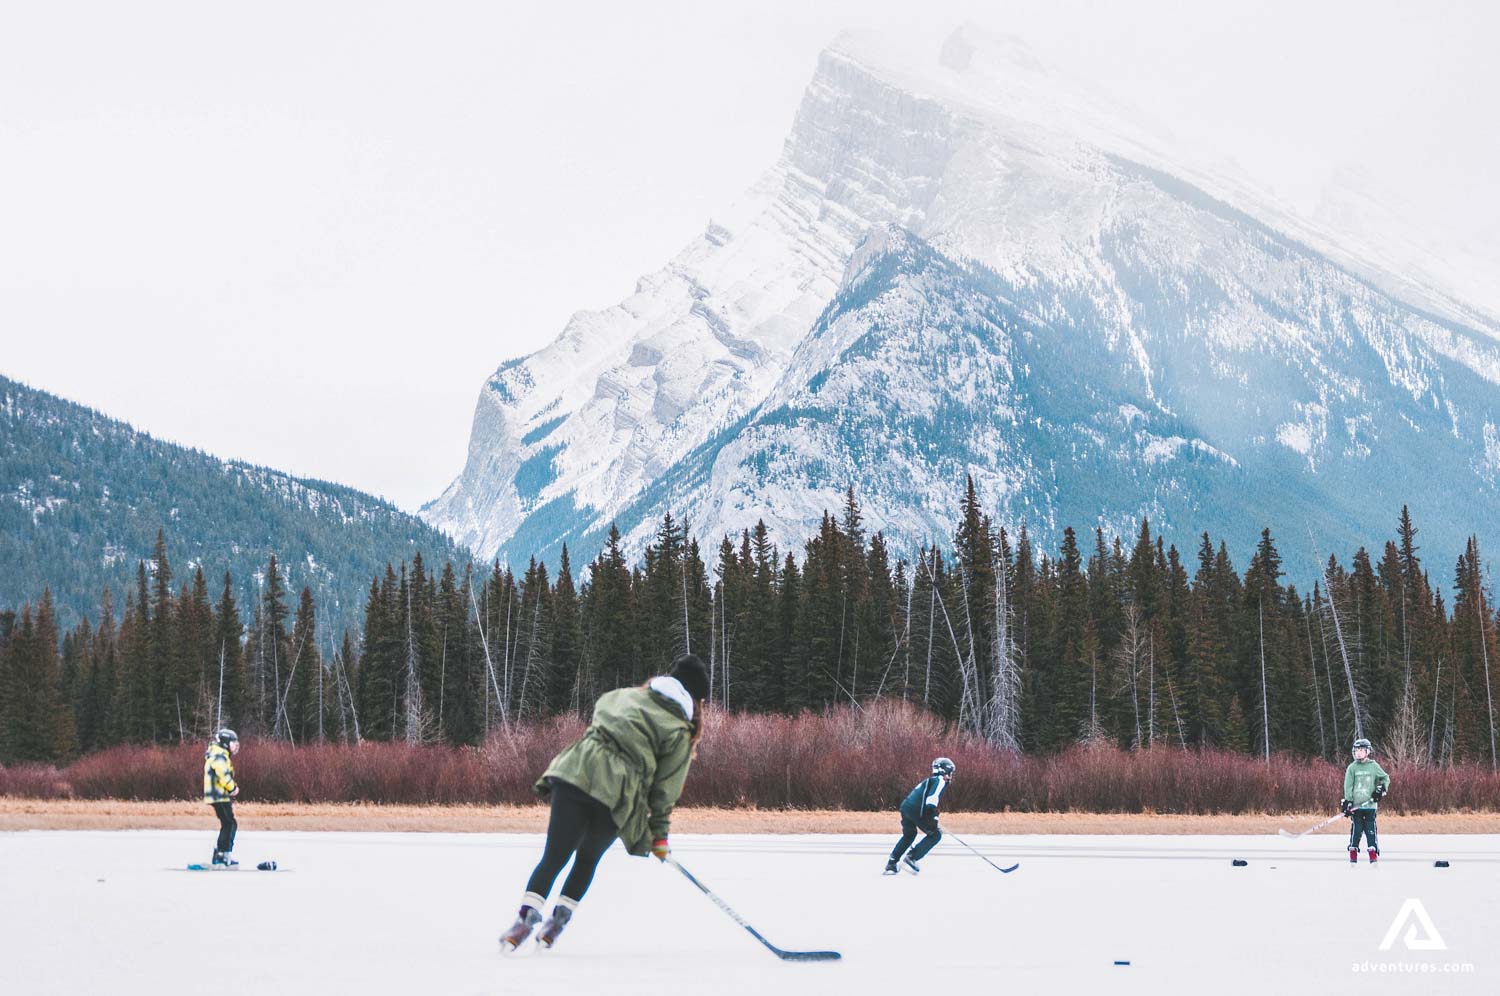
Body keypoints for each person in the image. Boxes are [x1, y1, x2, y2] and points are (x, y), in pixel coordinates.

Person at [500, 653, 711, 951]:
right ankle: (555, 925)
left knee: (554, 857)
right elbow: (665, 790)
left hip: (577, 772)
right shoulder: (679, 730)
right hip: (618, 794)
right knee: (587, 858)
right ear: (695, 700)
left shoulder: (621, 696)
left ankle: (523, 921)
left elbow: (600, 713)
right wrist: (659, 836)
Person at [885, 757, 955, 875]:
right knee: (936, 835)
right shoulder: (939, 781)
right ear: (944, 771)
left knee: (909, 835)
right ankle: (912, 857)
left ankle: (892, 863)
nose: (950, 776)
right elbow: (931, 800)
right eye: (950, 773)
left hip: (906, 807)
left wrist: (932, 816)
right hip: (916, 810)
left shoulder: (931, 780)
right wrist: (933, 817)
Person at [1341, 737, 1391, 863]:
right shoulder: (1352, 768)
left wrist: (1381, 790)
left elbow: (1385, 778)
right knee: (1356, 829)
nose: (1358, 753)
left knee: (1370, 829)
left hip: (1370, 806)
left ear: (1367, 751)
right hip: (1356, 806)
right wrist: (1348, 802)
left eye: (1361, 750)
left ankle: (1373, 852)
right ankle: (1353, 851)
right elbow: (1348, 786)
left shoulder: (1373, 766)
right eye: (1356, 750)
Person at [203, 728, 240, 867]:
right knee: (229, 823)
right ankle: (222, 854)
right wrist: (232, 788)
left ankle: (222, 853)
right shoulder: (219, 756)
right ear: (225, 743)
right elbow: (223, 774)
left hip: (219, 796)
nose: (235, 746)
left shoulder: (218, 754)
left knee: (229, 823)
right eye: (232, 743)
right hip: (219, 796)